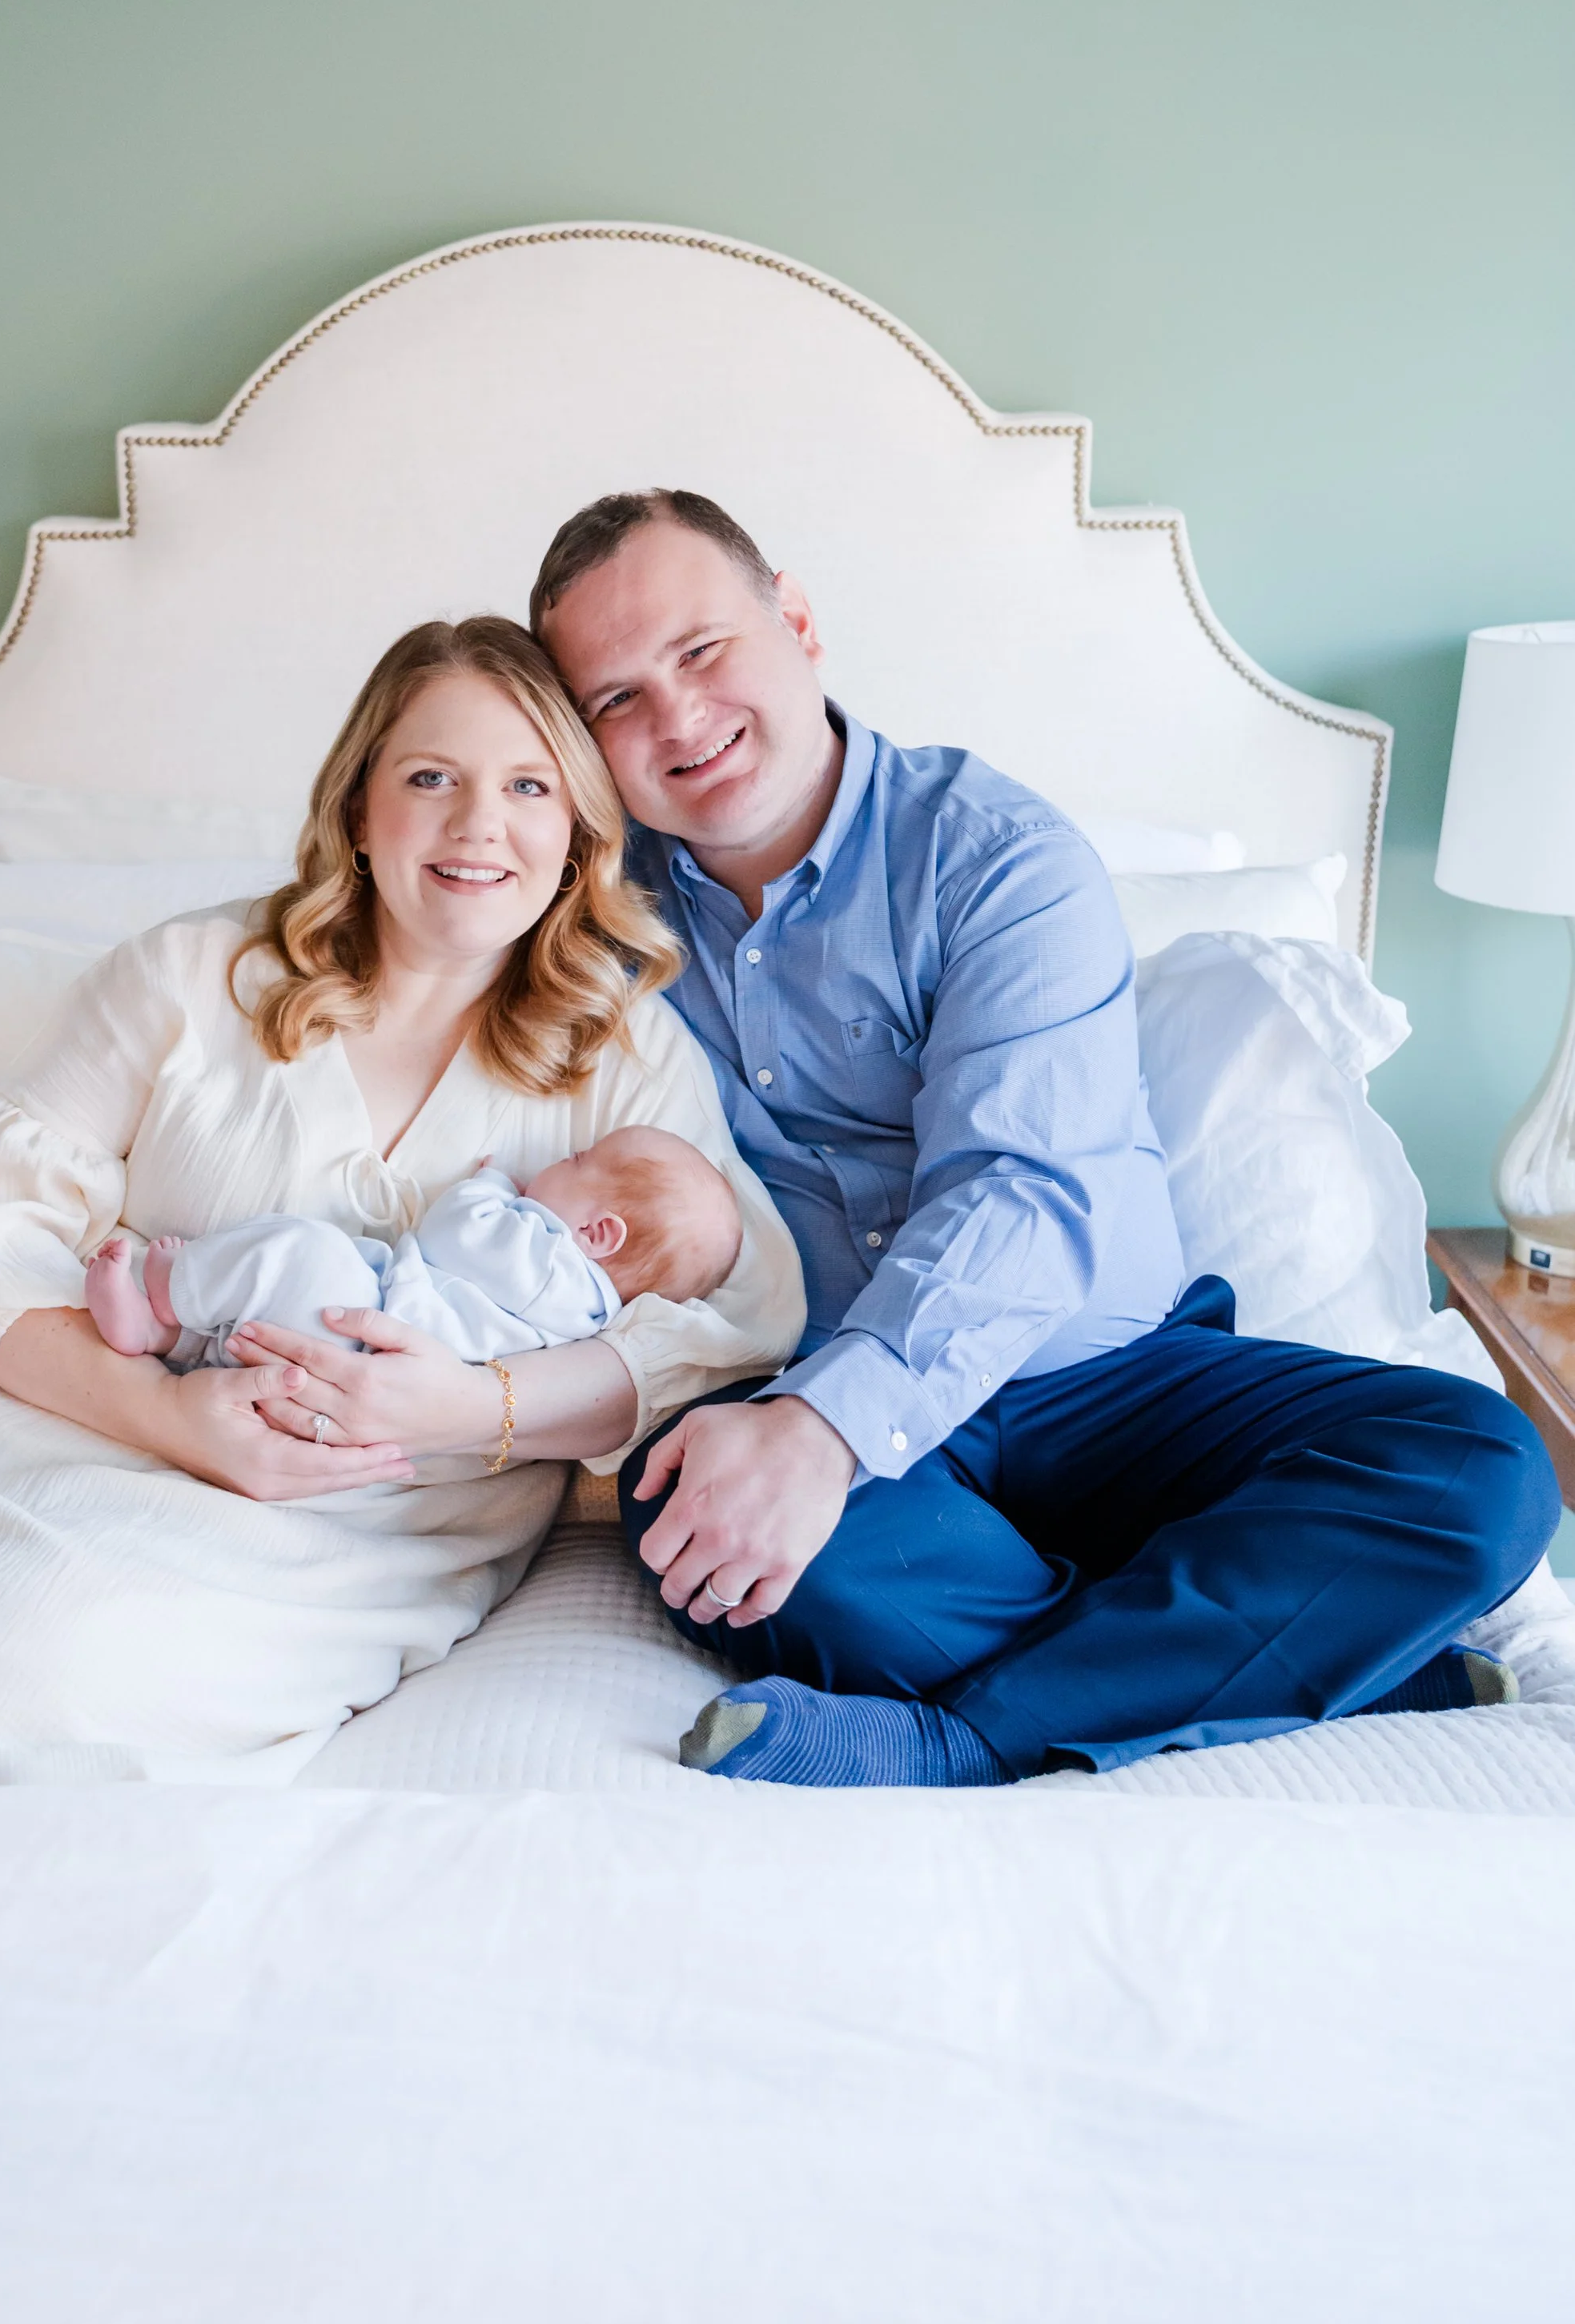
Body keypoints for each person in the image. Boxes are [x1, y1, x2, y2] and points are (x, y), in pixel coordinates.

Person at [0, 614, 800, 1789]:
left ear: (583, 831)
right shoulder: (195, 973)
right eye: (433, 775)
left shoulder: (620, 1050)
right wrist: (167, 1411)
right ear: (361, 808)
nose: (481, 822)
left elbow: (728, 1325)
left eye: (532, 785)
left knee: (7, 1672)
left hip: (336, 1514)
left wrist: (475, 1403)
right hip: (23, 1410)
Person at [500, 486, 1560, 1789]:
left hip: (1116, 1383)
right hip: (858, 1430)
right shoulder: (591, 919)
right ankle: (1322, 1662)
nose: (675, 718)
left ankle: (964, 1737)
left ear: (797, 619)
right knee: (690, 1510)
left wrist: (822, 1433)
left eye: (703, 650)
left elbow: (1021, 1191)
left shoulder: (994, 856)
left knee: (1485, 1462)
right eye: (614, 699)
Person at [82, 1128, 741, 1373]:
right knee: (267, 1316)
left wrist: (488, 1184)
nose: (555, 1162)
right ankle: (166, 1341)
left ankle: (170, 1288)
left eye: (575, 1160)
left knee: (304, 1249)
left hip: (374, 1338)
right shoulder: (578, 1311)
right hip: (366, 1355)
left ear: (597, 1235)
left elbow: (452, 1231)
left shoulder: (551, 1273)